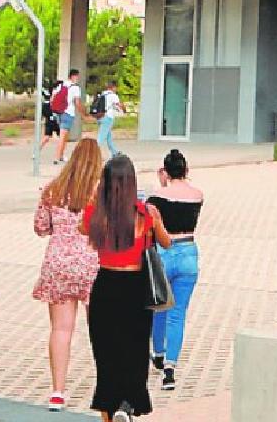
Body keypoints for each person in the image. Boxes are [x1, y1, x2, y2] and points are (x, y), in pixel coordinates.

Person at [81, 155, 169, 422]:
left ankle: (110, 412)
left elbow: (83, 230)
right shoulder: (146, 214)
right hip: (135, 288)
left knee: (106, 356)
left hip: (105, 286)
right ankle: (128, 405)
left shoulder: (94, 214)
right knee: (135, 351)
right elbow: (166, 243)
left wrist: (98, 202)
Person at [33, 138, 104, 412]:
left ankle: (58, 392)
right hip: (92, 263)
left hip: (58, 264)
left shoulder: (53, 189)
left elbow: (41, 227)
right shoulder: (101, 193)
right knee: (98, 329)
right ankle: (104, 384)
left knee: (61, 330)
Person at [145, 150, 203, 392]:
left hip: (164, 252)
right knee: (178, 313)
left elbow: (152, 221)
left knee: (158, 306)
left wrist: (162, 184)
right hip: (189, 250)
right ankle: (170, 368)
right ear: (186, 171)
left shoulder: (156, 197)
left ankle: (158, 352)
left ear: (165, 172)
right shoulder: (198, 195)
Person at [47, 70, 83, 165]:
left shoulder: (61, 85)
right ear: (74, 76)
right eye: (77, 77)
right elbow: (77, 103)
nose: (78, 79)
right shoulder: (75, 88)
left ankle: (61, 155)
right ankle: (57, 157)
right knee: (63, 137)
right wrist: (83, 113)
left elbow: (52, 99)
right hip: (68, 113)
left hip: (59, 113)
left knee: (65, 136)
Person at [90, 80, 124, 158]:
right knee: (101, 138)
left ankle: (114, 152)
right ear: (113, 87)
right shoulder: (113, 95)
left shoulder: (102, 94)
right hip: (107, 118)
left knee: (108, 137)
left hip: (99, 116)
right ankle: (92, 153)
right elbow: (119, 105)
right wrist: (123, 108)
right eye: (116, 87)